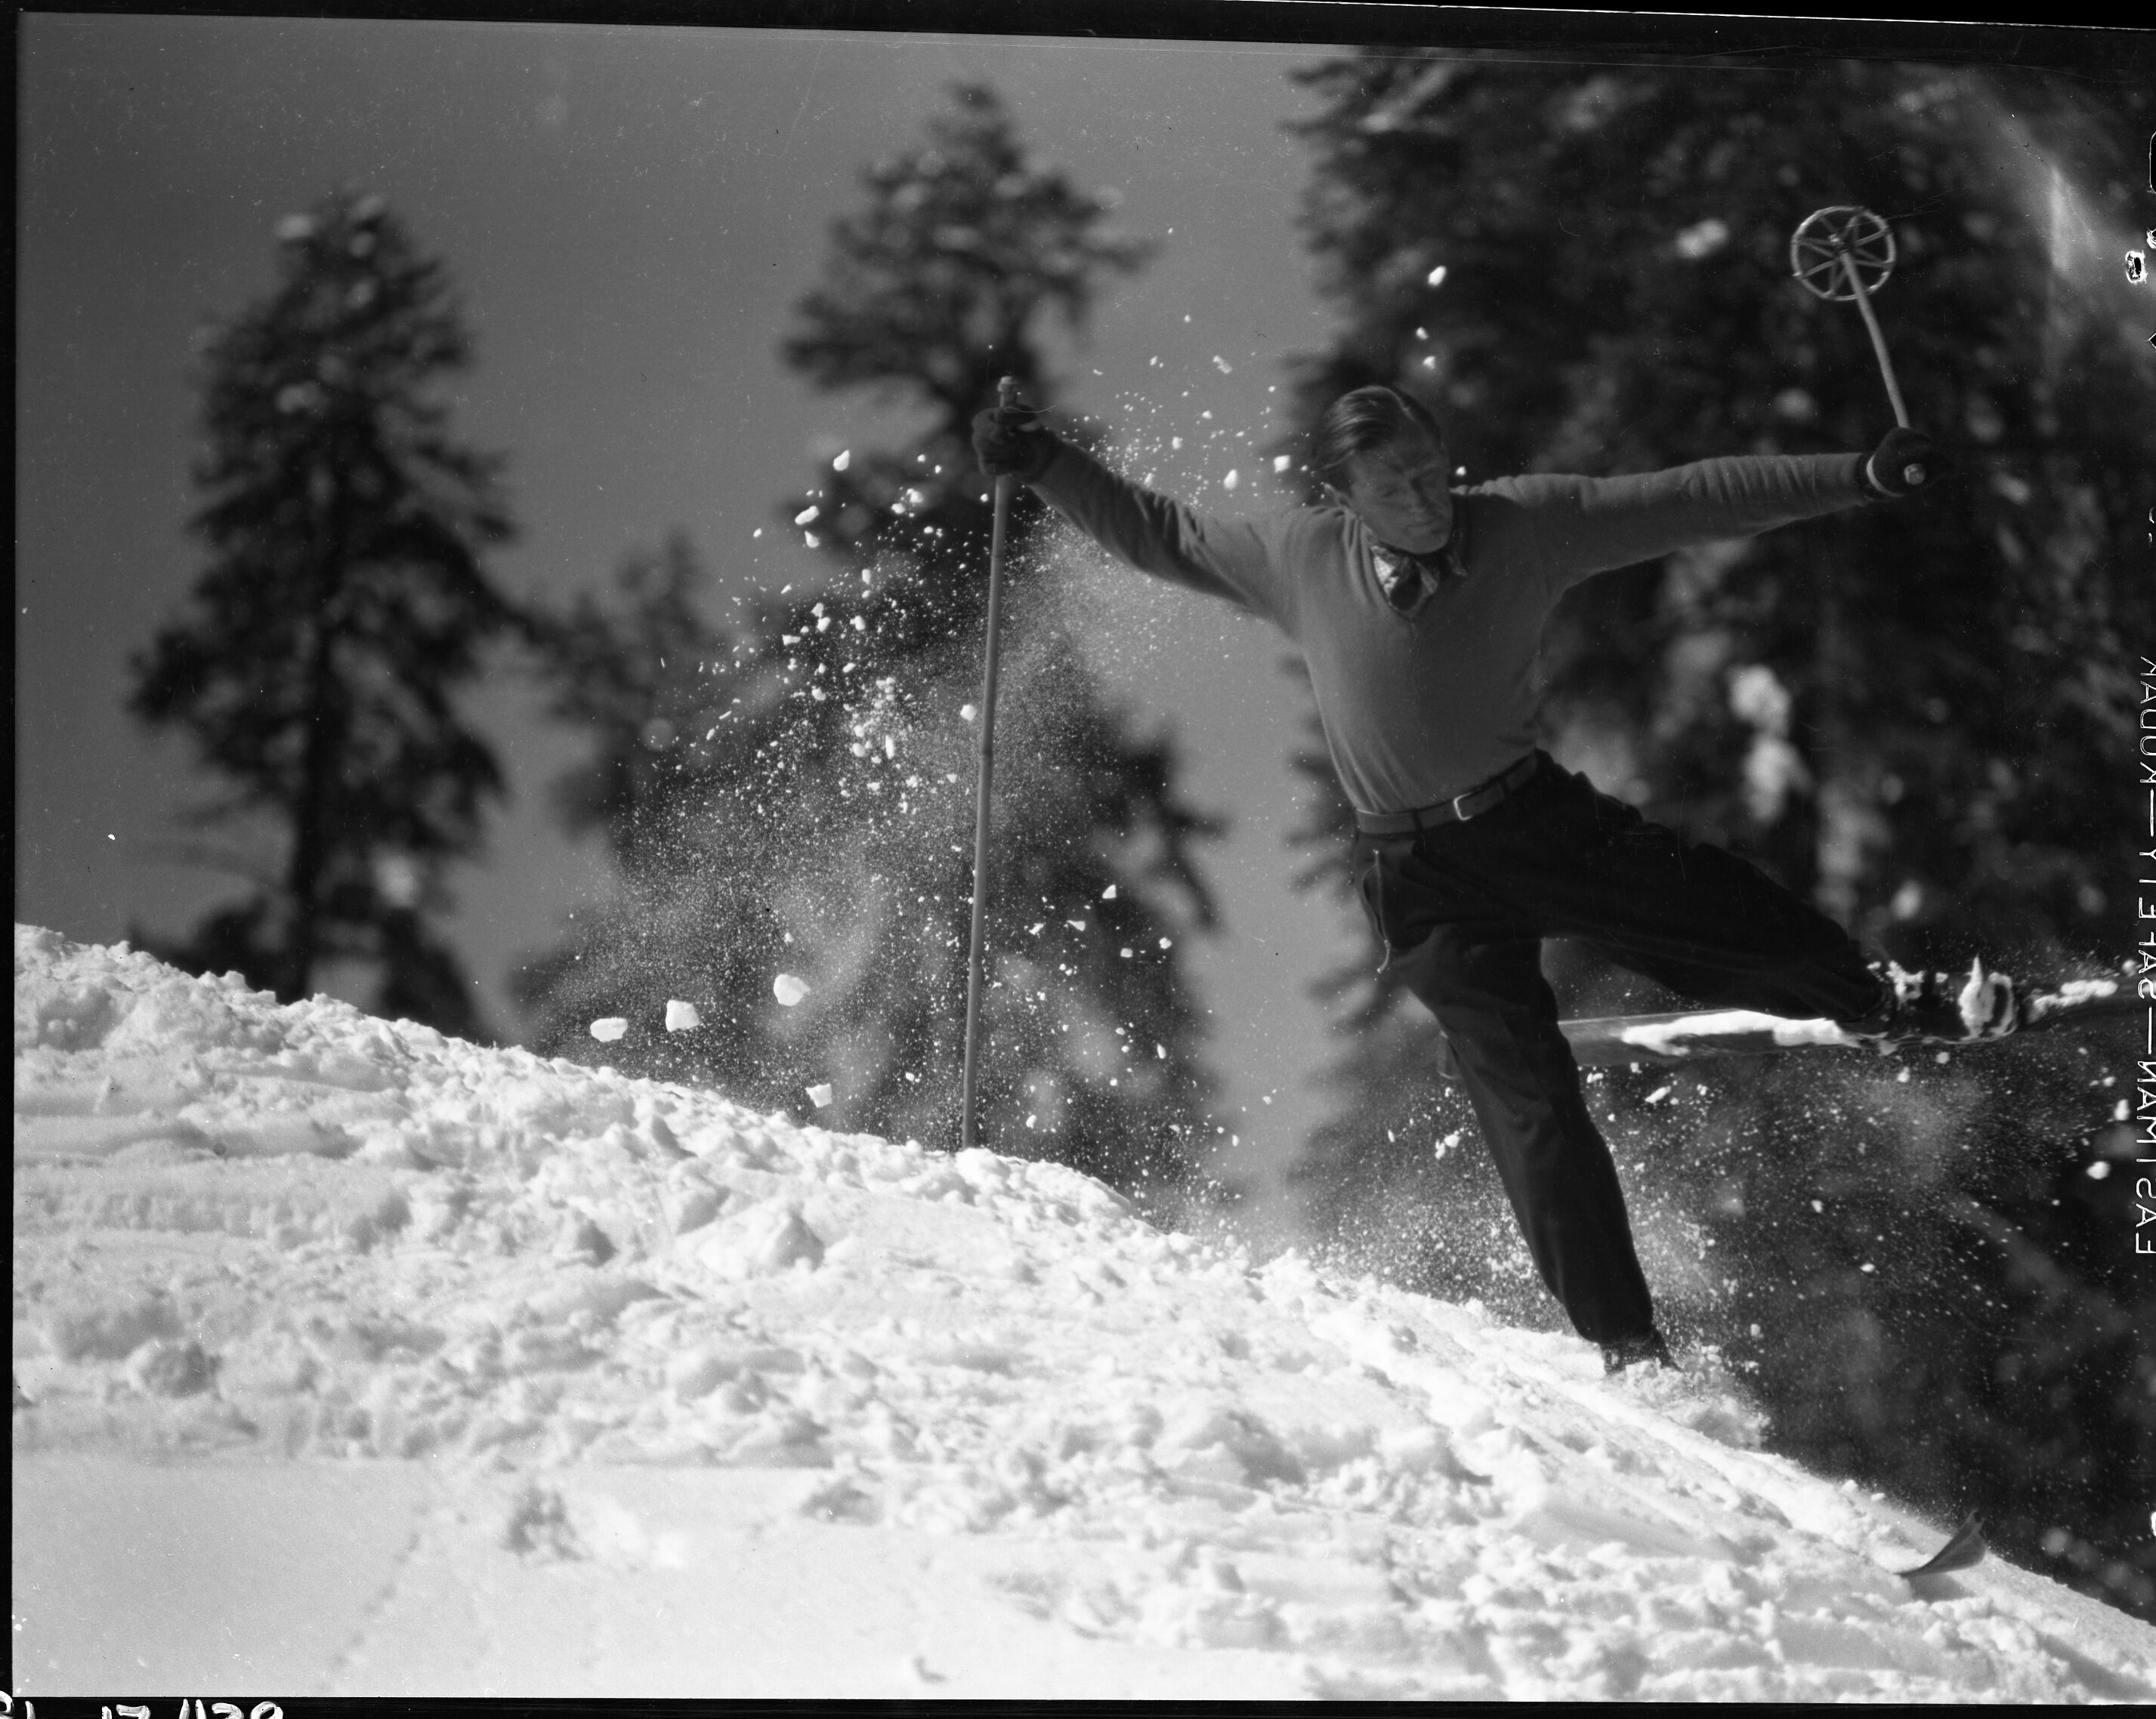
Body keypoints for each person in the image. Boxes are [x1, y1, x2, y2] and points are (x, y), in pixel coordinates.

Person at [972, 384, 2014, 1374]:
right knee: (1527, 1106)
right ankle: (1626, 1346)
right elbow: (1161, 533)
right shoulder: (1298, 555)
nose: (1428, 500)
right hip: (1417, 878)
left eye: (1433, 472)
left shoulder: (1520, 525)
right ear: (1343, 499)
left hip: (1529, 819)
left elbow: (1687, 497)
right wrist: (1049, 462)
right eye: (1396, 488)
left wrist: (1862, 473)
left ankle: (1881, 1000)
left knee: (1707, 907)